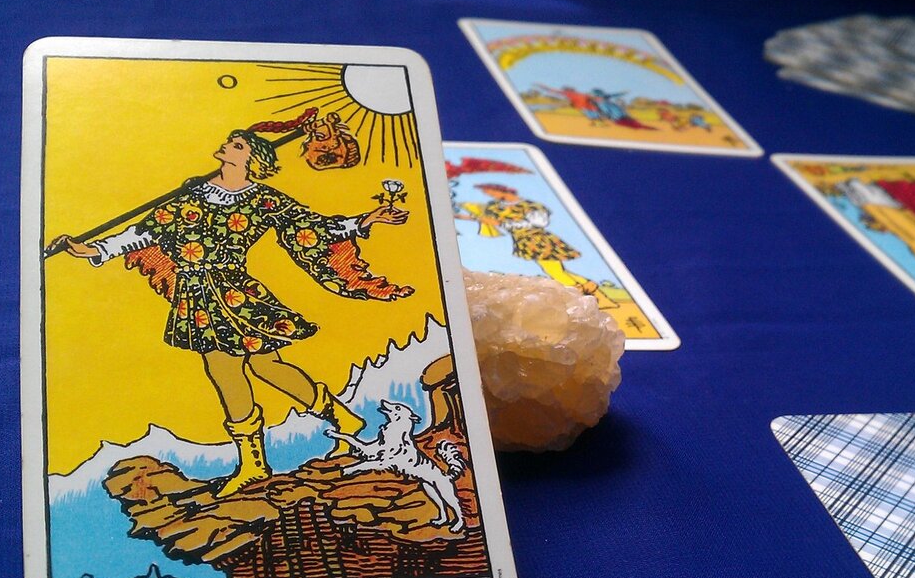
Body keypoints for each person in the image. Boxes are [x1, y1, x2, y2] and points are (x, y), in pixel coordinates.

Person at [57, 128, 411, 497]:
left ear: (252, 160)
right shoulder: (192, 193)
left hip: (232, 292)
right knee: (263, 366)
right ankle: (343, 420)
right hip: (196, 293)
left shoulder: (262, 199)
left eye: (237, 144)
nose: (227, 145)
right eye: (231, 141)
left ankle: (255, 465)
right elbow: (146, 232)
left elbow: (313, 227)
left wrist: (364, 221)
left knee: (231, 369)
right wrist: (93, 250)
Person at [459, 183, 617, 309]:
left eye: (492, 192)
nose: (491, 195)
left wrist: (504, 222)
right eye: (488, 194)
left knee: (555, 271)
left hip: (539, 240)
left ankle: (583, 299)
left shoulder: (530, 205)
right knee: (559, 270)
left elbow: (539, 222)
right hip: (524, 241)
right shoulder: (497, 207)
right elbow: (488, 219)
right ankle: (598, 297)